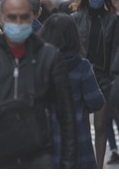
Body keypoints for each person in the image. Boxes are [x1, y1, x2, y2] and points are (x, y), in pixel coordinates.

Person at [0, 0, 76, 169]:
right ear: (2, 18)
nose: (18, 23)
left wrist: (68, 166)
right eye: (12, 17)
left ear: (33, 17)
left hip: (38, 157)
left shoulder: (49, 57)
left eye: (24, 17)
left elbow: (66, 116)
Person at [39, 13, 105, 168]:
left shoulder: (39, 65)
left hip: (46, 138)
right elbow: (96, 102)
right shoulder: (82, 66)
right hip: (77, 137)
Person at [72, 0, 118, 168]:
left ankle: (98, 169)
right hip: (82, 75)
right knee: (82, 127)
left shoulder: (113, 20)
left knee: (100, 126)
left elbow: (115, 48)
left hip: (104, 77)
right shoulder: (77, 18)